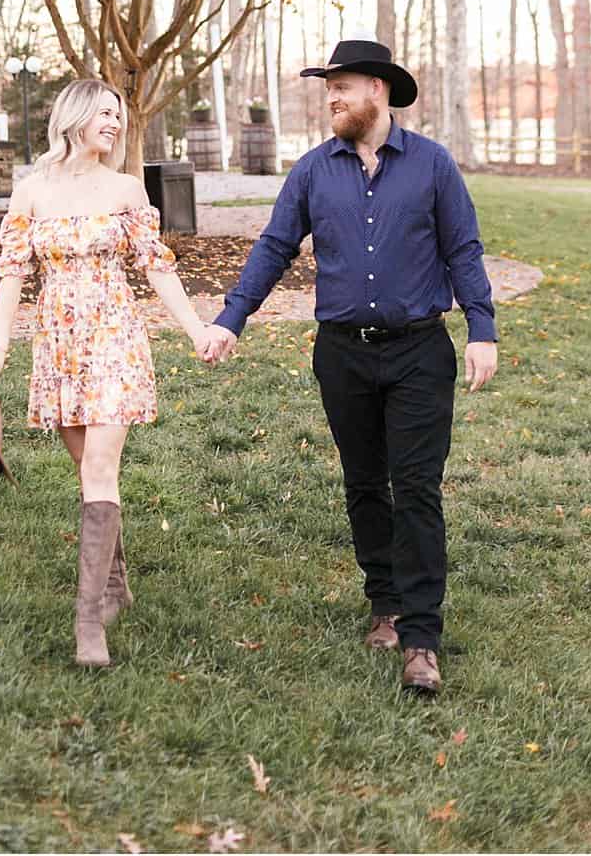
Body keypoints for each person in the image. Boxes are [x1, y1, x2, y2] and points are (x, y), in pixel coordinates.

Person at [206, 39, 499, 694]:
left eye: (343, 85)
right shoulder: (312, 171)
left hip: (420, 350)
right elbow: (275, 246)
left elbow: (464, 247)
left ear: (379, 91)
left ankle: (422, 637)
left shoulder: (431, 165)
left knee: (416, 487)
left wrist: (482, 328)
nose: (332, 97)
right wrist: (231, 318)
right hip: (341, 354)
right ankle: (386, 605)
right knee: (365, 482)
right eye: (327, 87)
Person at [0, 78, 221, 668]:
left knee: (101, 466)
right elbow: (12, 275)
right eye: (104, 114)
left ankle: (88, 625)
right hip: (57, 346)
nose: (115, 123)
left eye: (119, 115)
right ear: (75, 117)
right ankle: (115, 582)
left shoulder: (126, 189)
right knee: (87, 468)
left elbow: (157, 268)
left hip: (115, 339)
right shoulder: (30, 194)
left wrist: (196, 328)